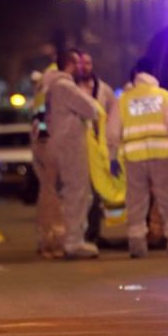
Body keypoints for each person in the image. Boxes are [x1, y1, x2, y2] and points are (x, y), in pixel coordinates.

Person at [108, 58, 168, 258]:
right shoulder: (163, 96)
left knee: (136, 200)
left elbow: (112, 132)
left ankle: (136, 243)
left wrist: (113, 157)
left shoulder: (124, 100)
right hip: (162, 154)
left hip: (134, 156)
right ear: (154, 72)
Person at [43, 48, 99, 259]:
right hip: (70, 145)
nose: (81, 67)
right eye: (77, 63)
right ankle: (74, 242)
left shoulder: (52, 86)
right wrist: (87, 96)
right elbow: (91, 109)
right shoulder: (65, 86)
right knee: (77, 192)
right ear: (69, 64)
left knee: (73, 192)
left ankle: (73, 239)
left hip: (59, 142)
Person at [77, 51, 118, 244]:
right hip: (78, 146)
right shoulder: (71, 88)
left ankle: (94, 232)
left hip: (99, 147)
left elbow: (113, 117)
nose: (85, 67)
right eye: (82, 63)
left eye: (88, 63)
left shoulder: (105, 90)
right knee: (79, 192)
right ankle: (80, 233)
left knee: (97, 191)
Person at [29, 64, 63, 259]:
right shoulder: (52, 86)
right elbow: (42, 117)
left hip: (41, 143)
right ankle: (53, 241)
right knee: (52, 194)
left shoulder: (42, 86)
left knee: (47, 192)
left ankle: (45, 240)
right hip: (48, 143)